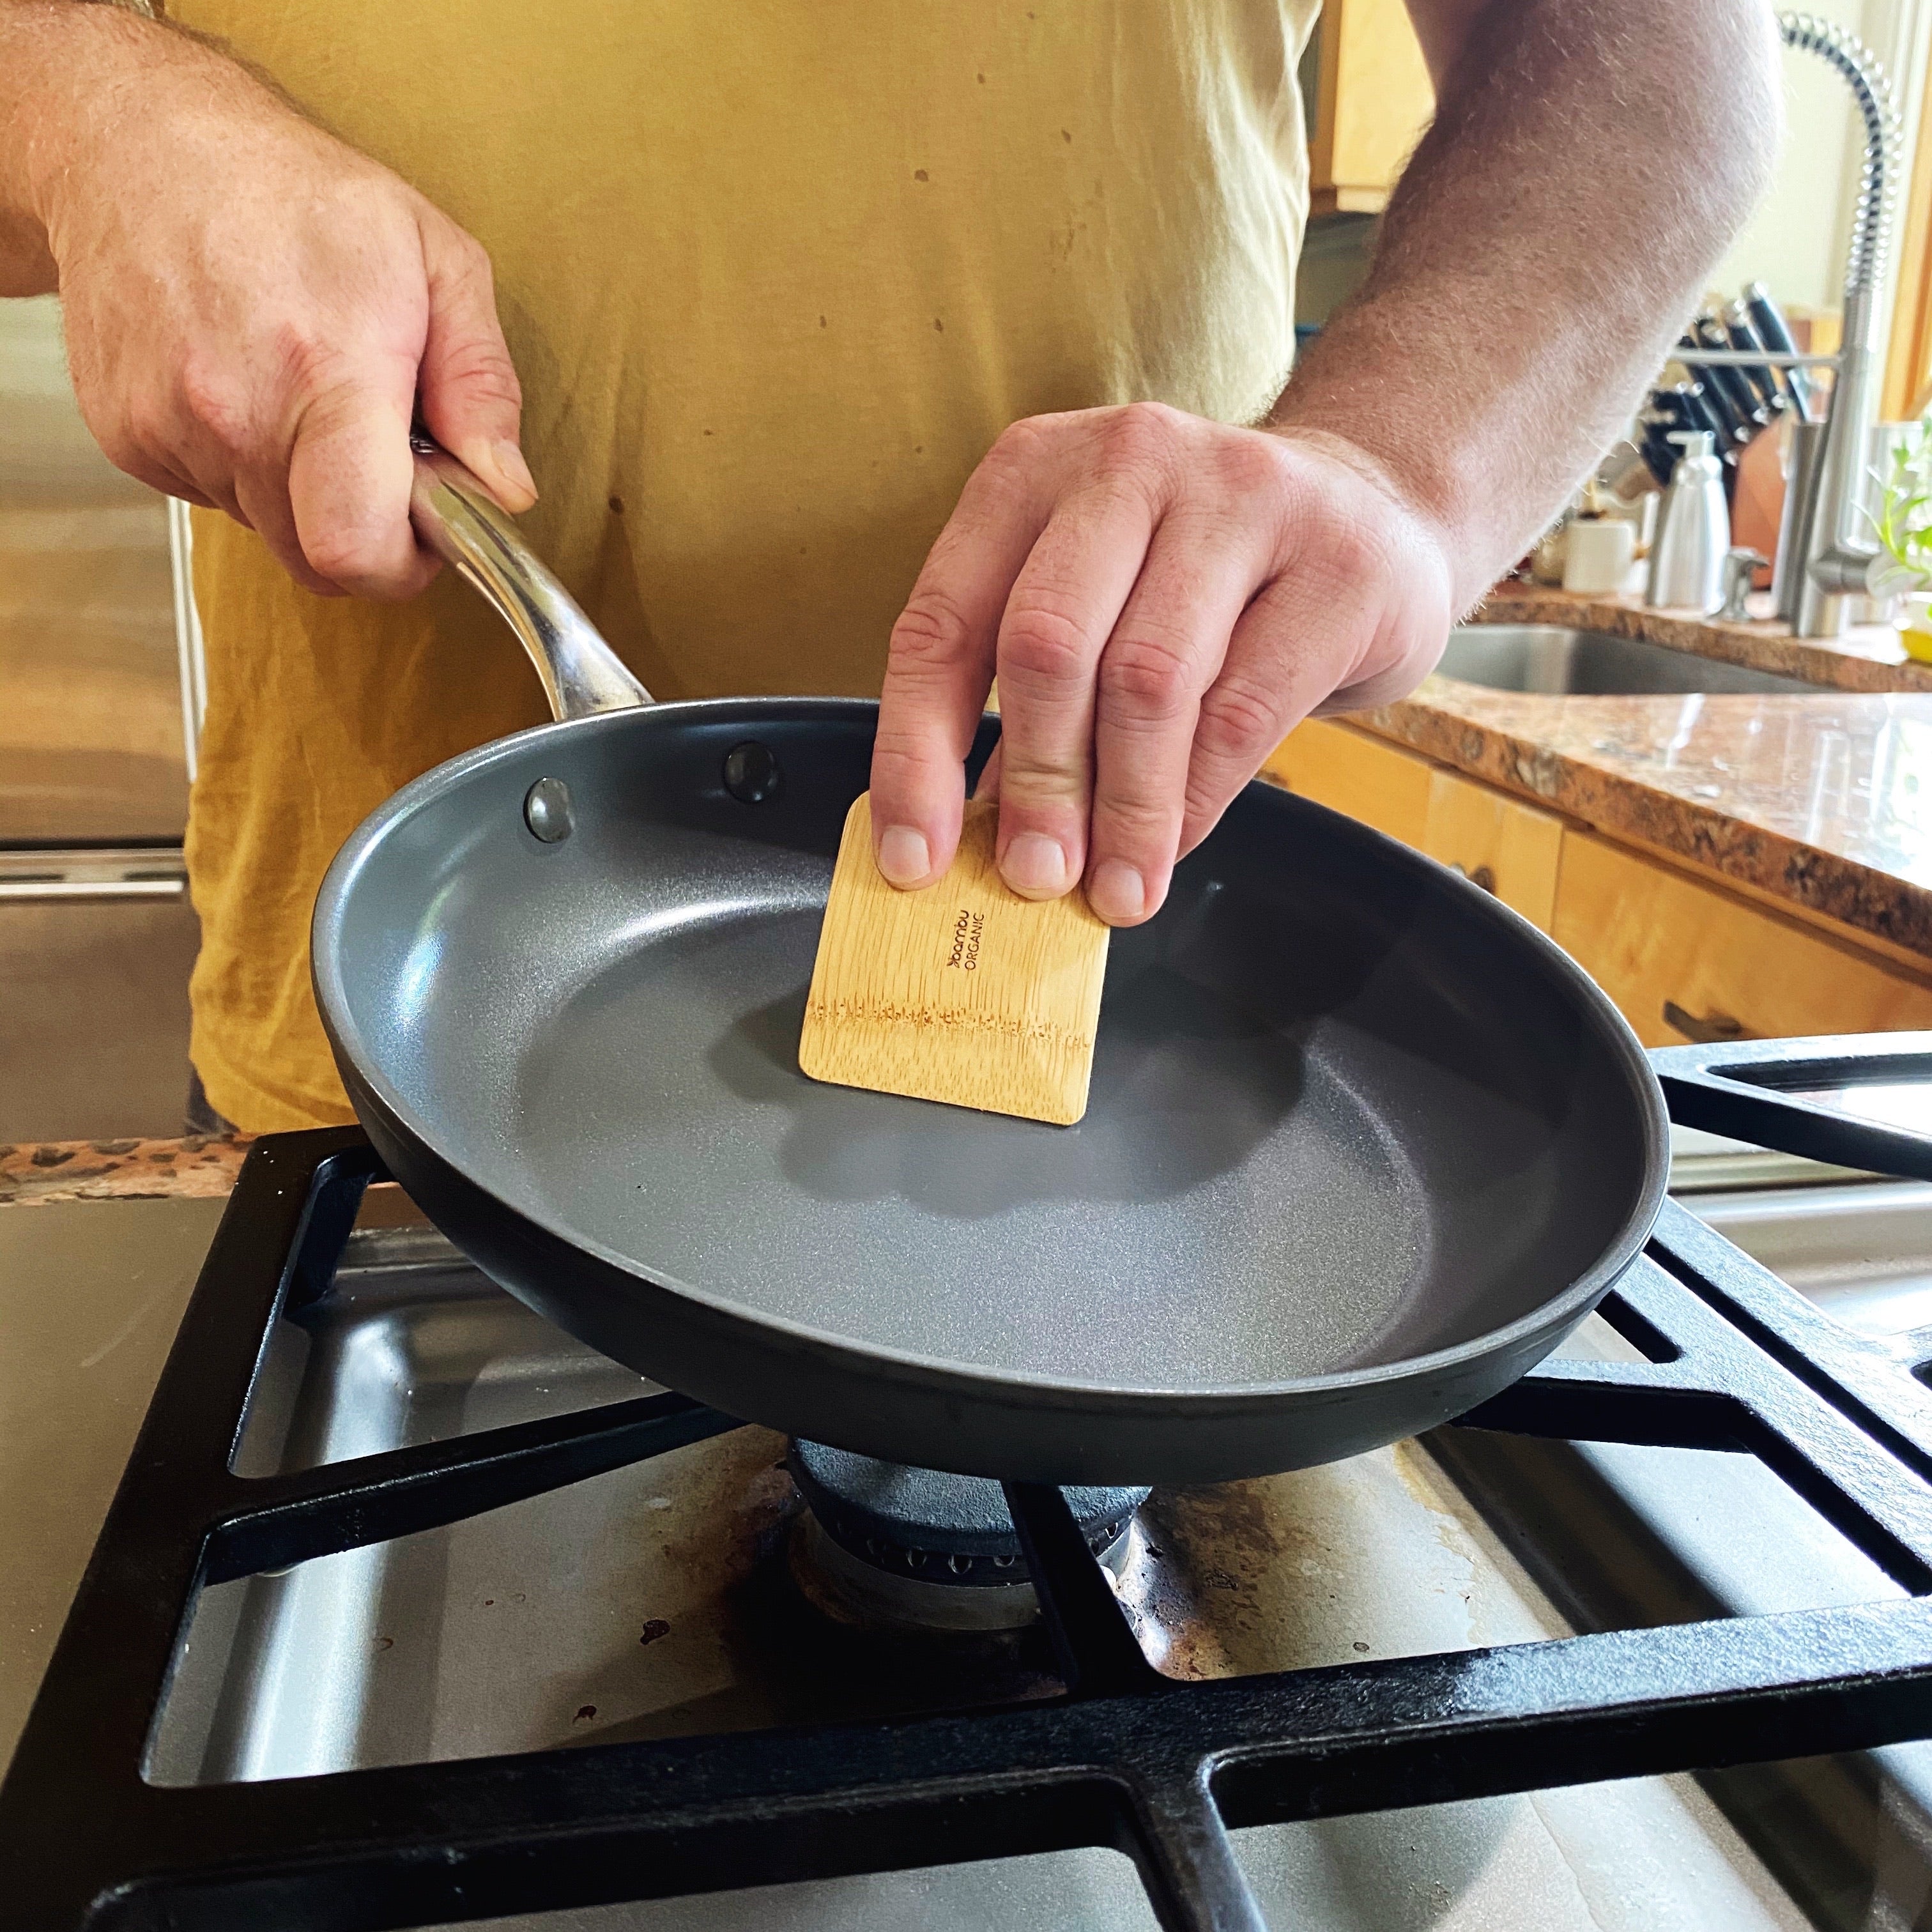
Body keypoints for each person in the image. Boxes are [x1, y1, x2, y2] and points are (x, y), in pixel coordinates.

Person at [0, 0, 1777, 1133]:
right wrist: (87, 110)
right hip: (387, 1057)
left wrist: (1396, 461)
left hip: (1140, 1007)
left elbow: (1649, 44)